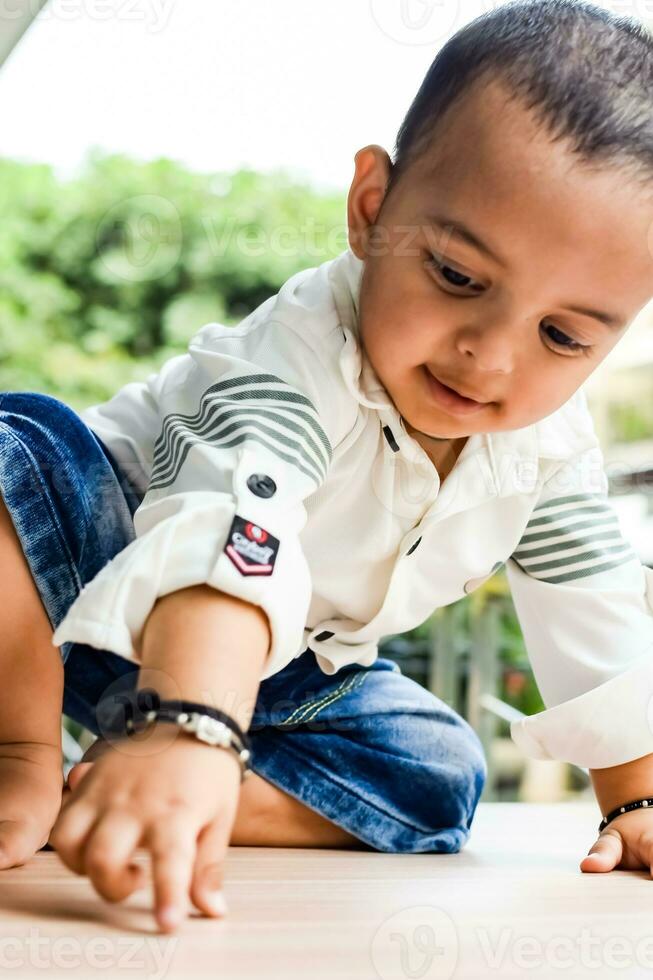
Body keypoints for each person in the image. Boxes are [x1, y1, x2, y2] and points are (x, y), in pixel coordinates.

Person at [2, 0, 653, 934]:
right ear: (371, 208)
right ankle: (19, 750)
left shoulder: (545, 448)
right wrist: (189, 719)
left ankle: (152, 791)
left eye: (560, 334)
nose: (489, 354)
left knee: (436, 772)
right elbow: (237, 532)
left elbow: (597, 618)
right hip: (82, 571)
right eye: (458, 278)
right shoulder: (299, 354)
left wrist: (632, 803)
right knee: (17, 444)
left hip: (282, 665)